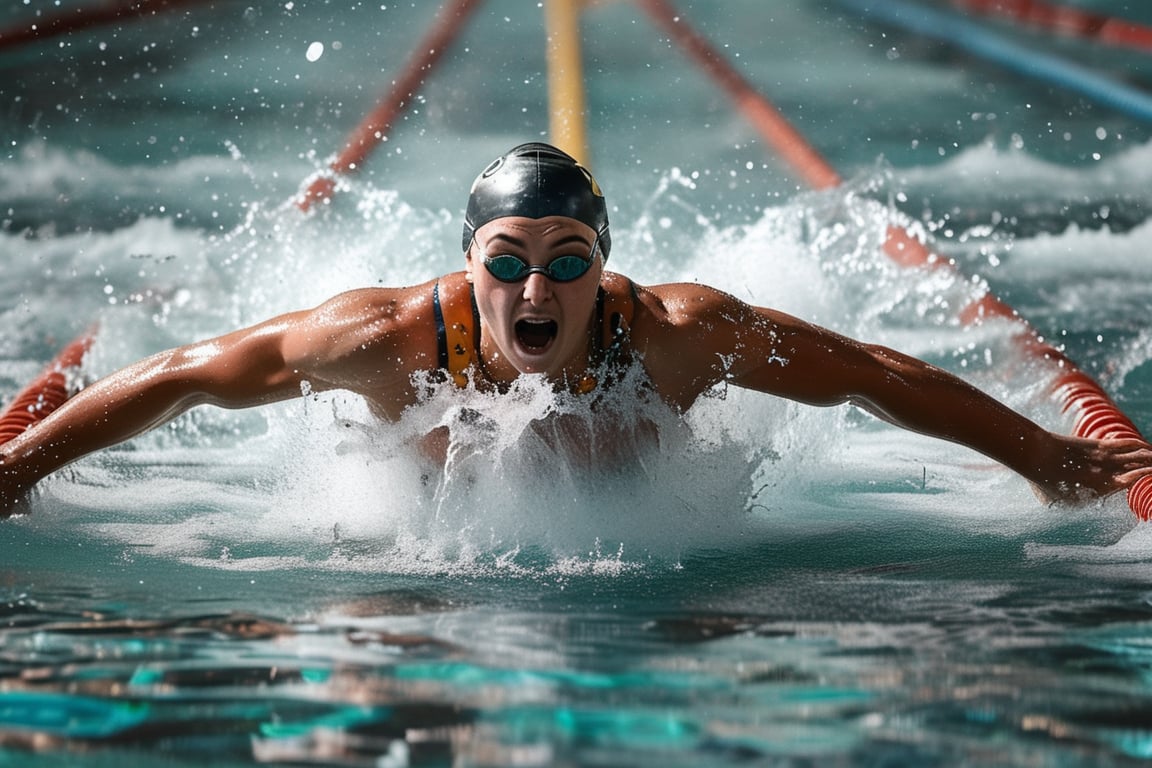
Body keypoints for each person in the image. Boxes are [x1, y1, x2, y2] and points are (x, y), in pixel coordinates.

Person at [2, 141, 1150, 517]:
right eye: (507, 264)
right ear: (470, 270)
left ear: (604, 270)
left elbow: (875, 375)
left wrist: (1045, 460)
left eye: (568, 264)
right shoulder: (389, 339)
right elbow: (184, 376)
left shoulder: (675, 333)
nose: (535, 292)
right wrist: (20, 467)